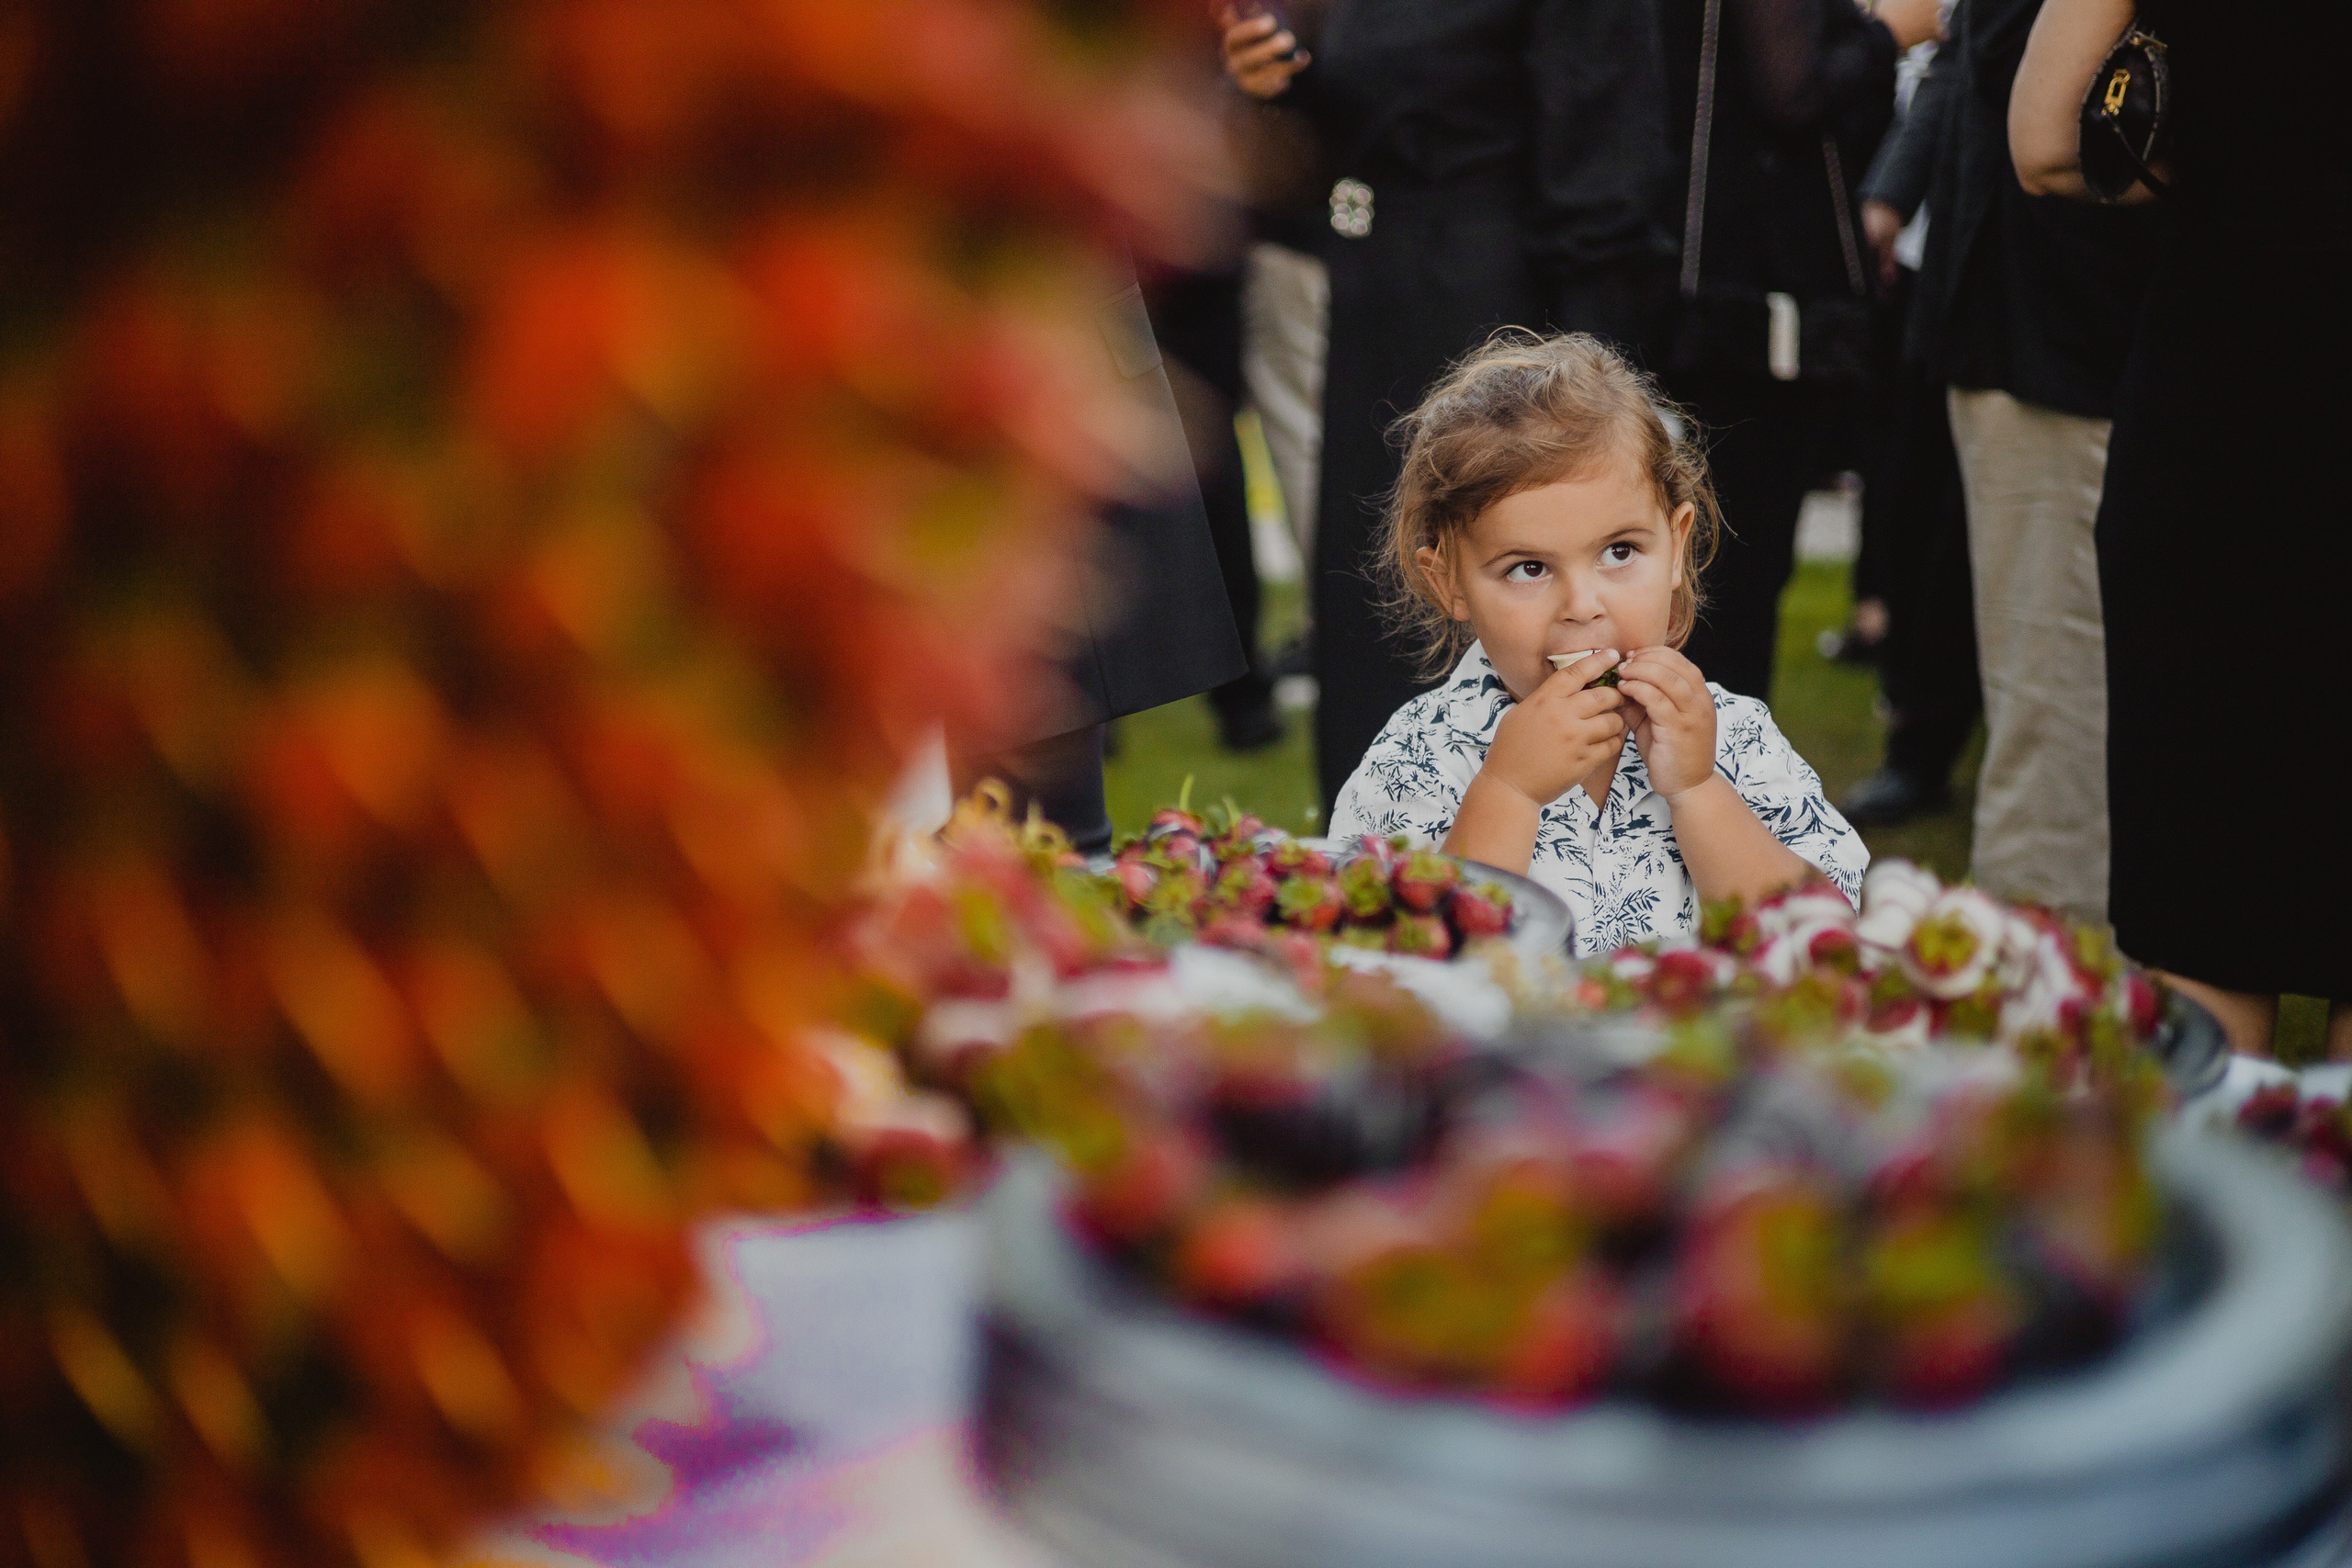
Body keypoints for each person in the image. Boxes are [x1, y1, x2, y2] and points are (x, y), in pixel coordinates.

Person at [1221, 0, 1679, 816]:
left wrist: (1592, 402)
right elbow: (1378, 108)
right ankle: (1387, 845)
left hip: (1501, 322)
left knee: (1519, 592)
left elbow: (1604, 164)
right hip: (1382, 313)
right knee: (1383, 600)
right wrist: (1285, 81)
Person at [2012, 0, 2352, 1055]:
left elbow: (2044, 143)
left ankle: (2214, 1210)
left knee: (2208, 913)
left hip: (2228, 394)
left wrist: (2243, 158)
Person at [1329, 333, 1867, 954]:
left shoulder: (1736, 738)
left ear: (1676, 543)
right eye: (1528, 567)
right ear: (1448, 579)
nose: (1582, 605)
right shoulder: (1418, 758)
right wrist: (1508, 791)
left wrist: (1698, 789)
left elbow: (1818, 944)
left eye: (1619, 552)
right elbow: (1399, 966)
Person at [1904, 0, 2155, 924]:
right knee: (2041, 675)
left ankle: (2050, 975)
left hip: (2074, 327)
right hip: (2017, 317)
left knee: (2058, 681)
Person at [1659, 0, 1943, 705]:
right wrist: (1890, 35)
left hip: (1705, 282)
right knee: (1733, 567)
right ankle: (1713, 777)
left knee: (1712, 562)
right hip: (1753, 301)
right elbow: (1790, 87)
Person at [1838, 38, 1984, 826]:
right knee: (1912, 498)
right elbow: (1950, 78)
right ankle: (1918, 737)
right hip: (1946, 277)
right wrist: (1889, 199)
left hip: (2037, 285)